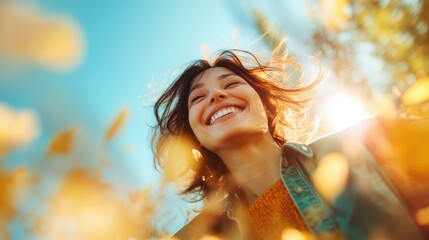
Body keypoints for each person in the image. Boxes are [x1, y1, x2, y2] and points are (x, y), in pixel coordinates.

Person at [151, 49, 429, 240]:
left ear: (266, 108)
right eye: (198, 98)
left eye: (231, 84)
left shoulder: (369, 145)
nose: (217, 95)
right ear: (195, 139)